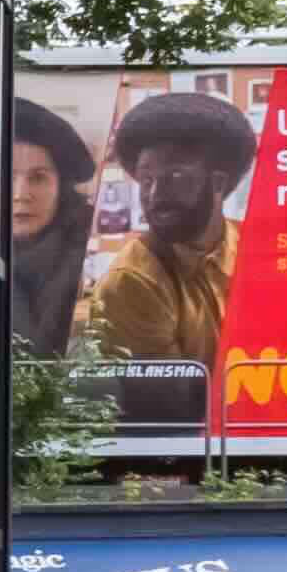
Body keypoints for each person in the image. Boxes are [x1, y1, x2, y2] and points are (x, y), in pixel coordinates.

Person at [80, 87, 258, 367]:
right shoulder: (131, 282)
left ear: (218, 183)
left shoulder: (257, 246)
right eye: (146, 179)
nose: (154, 195)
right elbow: (173, 393)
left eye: (175, 176)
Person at [3, 98, 98, 355]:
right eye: (6, 176)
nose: (21, 194)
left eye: (38, 178)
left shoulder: (90, 258)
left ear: (61, 189)